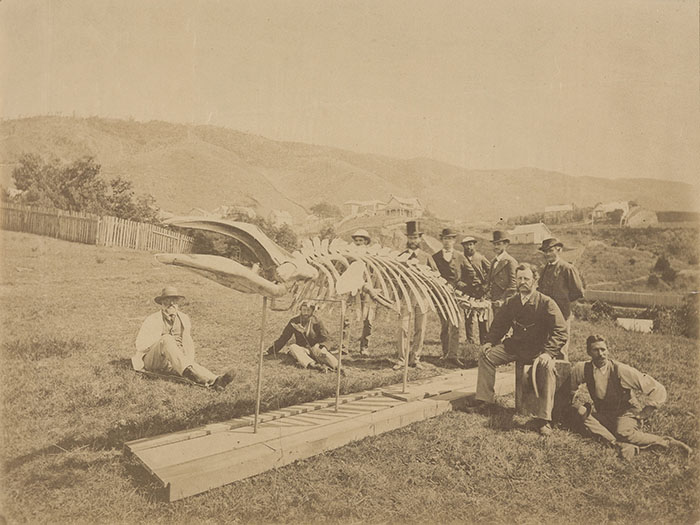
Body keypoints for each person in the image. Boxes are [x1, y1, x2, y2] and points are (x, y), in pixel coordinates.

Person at [471, 263, 568, 435]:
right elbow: (498, 326)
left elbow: (560, 331)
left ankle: (544, 419)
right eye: (520, 279)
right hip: (515, 347)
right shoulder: (511, 302)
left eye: (526, 279)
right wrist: (489, 342)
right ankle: (485, 401)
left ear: (535, 281)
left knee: (548, 369)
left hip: (539, 350)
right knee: (486, 356)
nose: (522, 282)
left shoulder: (546, 303)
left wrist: (548, 352)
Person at [569, 335, 692, 460]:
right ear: (588, 352)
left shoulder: (621, 370)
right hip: (605, 413)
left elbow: (657, 388)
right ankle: (620, 445)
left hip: (626, 412)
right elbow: (571, 389)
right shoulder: (582, 368)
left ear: (608, 350)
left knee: (623, 432)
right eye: (596, 350)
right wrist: (572, 403)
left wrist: (645, 412)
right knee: (580, 414)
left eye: (603, 349)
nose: (600, 354)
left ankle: (667, 443)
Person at [133, 286, 235, 390]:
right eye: (168, 300)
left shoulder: (184, 319)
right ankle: (188, 372)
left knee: (189, 365)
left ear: (178, 303)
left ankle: (217, 380)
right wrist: (161, 345)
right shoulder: (152, 319)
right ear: (162, 303)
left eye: (174, 301)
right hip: (153, 361)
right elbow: (140, 344)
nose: (171, 304)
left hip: (174, 361)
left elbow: (187, 343)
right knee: (167, 339)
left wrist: (181, 357)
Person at [429, 227, 471, 367]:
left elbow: (470, 274)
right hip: (441, 296)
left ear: (454, 241)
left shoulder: (460, 256)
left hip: (455, 295)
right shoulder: (434, 257)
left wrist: (461, 285)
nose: (448, 241)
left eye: (450, 239)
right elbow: (431, 277)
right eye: (445, 239)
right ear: (441, 240)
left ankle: (453, 355)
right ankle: (445, 353)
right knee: (444, 325)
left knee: (455, 325)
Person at [537, 237, 584, 358]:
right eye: (545, 252)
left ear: (559, 250)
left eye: (550, 250)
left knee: (561, 350)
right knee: (546, 349)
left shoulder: (567, 268)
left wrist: (564, 303)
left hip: (562, 315)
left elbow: (578, 292)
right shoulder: (544, 269)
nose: (547, 254)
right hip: (545, 316)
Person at [394, 220, 429, 370]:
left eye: (416, 238)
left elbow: (435, 275)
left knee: (420, 327)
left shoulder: (426, 257)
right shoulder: (401, 256)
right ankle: (402, 359)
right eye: (411, 238)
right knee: (403, 327)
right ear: (407, 239)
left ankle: (415, 358)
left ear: (420, 239)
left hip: (422, 296)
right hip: (406, 296)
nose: (413, 241)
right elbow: (395, 277)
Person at [266, 301, 339, 372]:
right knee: (293, 347)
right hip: (302, 349)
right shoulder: (294, 321)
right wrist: (271, 350)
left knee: (324, 352)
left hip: (315, 349)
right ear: (300, 310)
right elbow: (284, 337)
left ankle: (338, 367)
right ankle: (312, 365)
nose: (306, 313)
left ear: (312, 311)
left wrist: (319, 345)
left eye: (308, 310)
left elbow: (326, 338)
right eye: (304, 310)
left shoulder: (317, 321)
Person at [346, 229, 376, 356]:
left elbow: (375, 273)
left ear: (366, 242)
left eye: (361, 240)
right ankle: (343, 347)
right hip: (352, 288)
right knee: (346, 317)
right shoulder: (350, 256)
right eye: (356, 240)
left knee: (368, 319)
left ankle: (364, 346)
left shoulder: (371, 255)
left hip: (367, 289)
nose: (358, 243)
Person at [460, 235, 492, 344]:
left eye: (470, 244)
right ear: (463, 247)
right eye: (466, 245)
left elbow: (491, 272)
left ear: (474, 245)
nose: (469, 247)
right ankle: (470, 340)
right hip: (467, 291)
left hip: (480, 291)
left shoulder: (480, 257)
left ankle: (484, 340)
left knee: (482, 316)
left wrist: (485, 285)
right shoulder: (461, 258)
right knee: (468, 316)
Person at [486, 230, 517, 317]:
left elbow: (513, 285)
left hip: (504, 301)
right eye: (494, 244)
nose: (496, 247)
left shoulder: (510, 262)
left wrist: (502, 300)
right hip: (494, 300)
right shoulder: (493, 261)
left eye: (499, 244)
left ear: (505, 244)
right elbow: (490, 281)